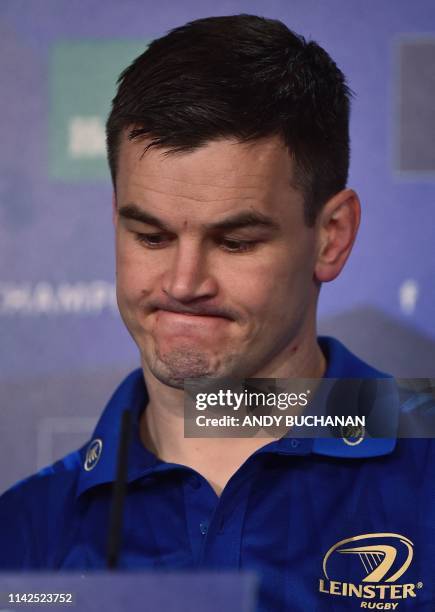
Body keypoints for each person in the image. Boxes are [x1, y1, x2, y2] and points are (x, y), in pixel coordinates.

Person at [0, 14, 433, 611]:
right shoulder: (23, 537)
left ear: (331, 236)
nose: (183, 283)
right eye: (150, 236)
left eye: (236, 242)